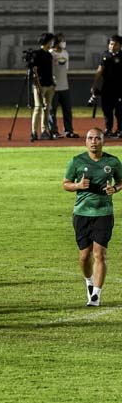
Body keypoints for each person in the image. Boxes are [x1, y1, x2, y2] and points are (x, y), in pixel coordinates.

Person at [62, 128, 122, 306]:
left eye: (97, 138)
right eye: (90, 138)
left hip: (103, 213)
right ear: (85, 141)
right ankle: (89, 282)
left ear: (103, 141)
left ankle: (96, 295)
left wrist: (115, 189)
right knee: (84, 256)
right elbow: (65, 184)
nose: (93, 141)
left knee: (100, 254)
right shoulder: (77, 161)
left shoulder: (113, 161)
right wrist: (78, 185)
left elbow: (120, 181)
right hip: (81, 213)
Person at [48, 33, 79, 139]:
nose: (63, 42)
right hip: (53, 87)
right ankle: (53, 131)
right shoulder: (51, 53)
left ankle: (68, 130)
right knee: (52, 111)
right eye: (61, 40)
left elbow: (66, 69)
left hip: (64, 86)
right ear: (55, 42)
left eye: (63, 40)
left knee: (67, 110)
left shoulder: (65, 53)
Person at [92, 35, 122, 137]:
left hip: (119, 89)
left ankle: (120, 130)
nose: (112, 46)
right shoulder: (105, 55)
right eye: (111, 44)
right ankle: (108, 129)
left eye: (115, 44)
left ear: (120, 45)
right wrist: (95, 85)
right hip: (107, 88)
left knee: (120, 111)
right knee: (107, 110)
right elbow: (100, 70)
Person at [30, 32, 56, 141]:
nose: (52, 43)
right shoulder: (37, 54)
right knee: (38, 108)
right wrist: (38, 85)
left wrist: (53, 83)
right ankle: (34, 131)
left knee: (47, 108)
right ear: (47, 41)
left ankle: (44, 130)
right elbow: (34, 71)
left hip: (49, 85)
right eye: (51, 41)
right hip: (40, 85)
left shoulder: (49, 55)